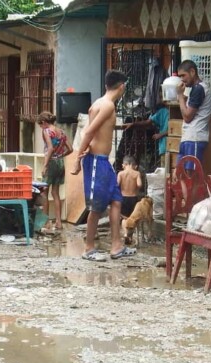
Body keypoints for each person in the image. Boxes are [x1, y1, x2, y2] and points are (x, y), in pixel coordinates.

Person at [71, 70, 135, 261]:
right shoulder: (107, 106)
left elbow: (90, 132)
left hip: (103, 162)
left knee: (116, 200)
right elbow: (89, 132)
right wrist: (77, 160)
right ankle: (88, 249)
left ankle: (117, 246)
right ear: (122, 86)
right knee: (97, 207)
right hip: (97, 161)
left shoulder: (98, 104)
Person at [38, 111, 73, 233]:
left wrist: (45, 166)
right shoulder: (61, 132)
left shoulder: (46, 131)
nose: (41, 128)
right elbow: (70, 149)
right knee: (55, 193)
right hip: (60, 163)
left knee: (44, 193)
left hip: (51, 162)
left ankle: (46, 222)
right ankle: (58, 222)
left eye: (40, 125)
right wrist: (61, 155)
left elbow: (50, 148)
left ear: (44, 122)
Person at [176, 60, 211, 170]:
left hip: (195, 137)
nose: (182, 79)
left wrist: (180, 95)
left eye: (183, 75)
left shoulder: (199, 89)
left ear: (192, 72)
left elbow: (187, 117)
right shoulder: (195, 90)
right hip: (189, 137)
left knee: (192, 174)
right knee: (181, 172)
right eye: (180, 76)